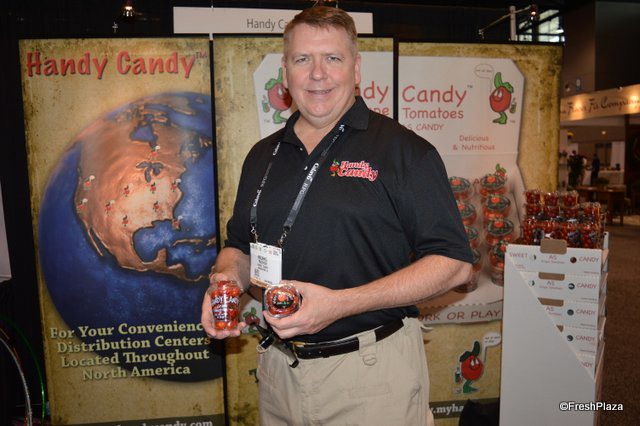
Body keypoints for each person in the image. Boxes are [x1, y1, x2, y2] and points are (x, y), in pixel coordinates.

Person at [201, 5, 472, 425]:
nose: (317, 74)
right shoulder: (262, 156)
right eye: (302, 59)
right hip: (278, 372)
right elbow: (239, 246)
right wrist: (225, 282)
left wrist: (340, 304)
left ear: (356, 68)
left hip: (370, 374)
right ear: (285, 72)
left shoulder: (404, 152)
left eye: (332, 58)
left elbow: (454, 264)